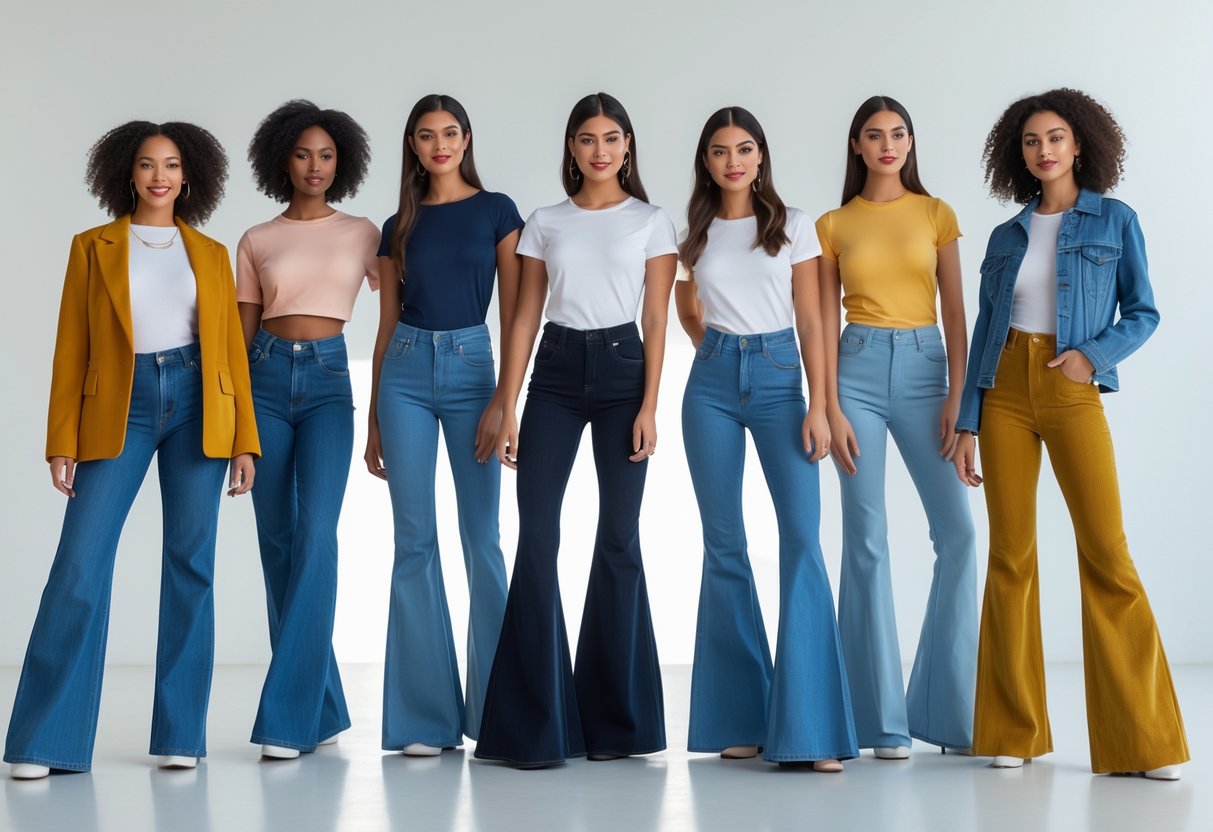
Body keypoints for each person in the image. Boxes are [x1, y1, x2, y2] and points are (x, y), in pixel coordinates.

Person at [5, 121, 258, 779]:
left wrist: (244, 441)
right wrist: (62, 438)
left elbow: (230, 349)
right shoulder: (92, 247)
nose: (159, 176)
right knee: (81, 562)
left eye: (171, 165)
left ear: (189, 176)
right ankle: (43, 740)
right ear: (127, 172)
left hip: (201, 403)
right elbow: (71, 348)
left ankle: (180, 735)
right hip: (120, 406)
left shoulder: (209, 250)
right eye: (147, 164)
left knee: (191, 563)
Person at [953, 88, 1188, 779]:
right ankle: (1012, 729)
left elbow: (1142, 312)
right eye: (1030, 141)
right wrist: (967, 418)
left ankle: (1143, 742)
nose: (1043, 150)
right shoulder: (1005, 236)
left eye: (1054, 137)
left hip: (1068, 383)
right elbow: (982, 334)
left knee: (1105, 554)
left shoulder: (1113, 221)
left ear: (1079, 143)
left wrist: (1093, 355)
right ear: (1016, 155)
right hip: (1002, 391)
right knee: (1010, 557)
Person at [474, 92, 677, 768]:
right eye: (586, 139)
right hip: (555, 378)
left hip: (625, 375)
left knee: (618, 540)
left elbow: (657, 321)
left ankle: (617, 725)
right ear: (571, 147)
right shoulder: (544, 222)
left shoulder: (649, 221)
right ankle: (534, 727)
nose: (599, 150)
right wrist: (506, 405)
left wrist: (650, 405)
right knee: (537, 539)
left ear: (627, 147)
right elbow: (523, 319)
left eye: (611, 138)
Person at [676, 106, 856, 771]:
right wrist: (716, 351)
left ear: (760, 157)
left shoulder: (793, 226)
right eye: (720, 151)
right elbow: (686, 307)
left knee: (803, 539)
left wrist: (821, 403)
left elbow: (813, 319)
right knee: (724, 545)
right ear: (706, 160)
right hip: (712, 386)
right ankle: (739, 715)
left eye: (744, 148)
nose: (733, 161)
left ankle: (811, 729)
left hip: (784, 382)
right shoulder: (692, 234)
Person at [816, 95, 977, 758]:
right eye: (874, 136)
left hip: (924, 369)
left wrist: (959, 401)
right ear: (856, 146)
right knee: (866, 538)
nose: (887, 145)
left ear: (910, 143)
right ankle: (877, 718)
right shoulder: (831, 225)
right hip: (852, 371)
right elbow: (821, 324)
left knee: (959, 533)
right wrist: (824, 404)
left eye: (898, 134)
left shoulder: (935, 214)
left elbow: (957, 313)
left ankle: (948, 711)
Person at [364, 94, 521, 755]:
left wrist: (505, 402)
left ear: (466, 138)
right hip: (402, 373)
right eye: (425, 135)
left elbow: (516, 318)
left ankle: (499, 711)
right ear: (412, 146)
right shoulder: (396, 225)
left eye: (449, 133)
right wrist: (372, 419)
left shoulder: (496, 212)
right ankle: (424, 719)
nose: (439, 145)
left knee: (481, 540)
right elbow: (385, 325)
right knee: (413, 542)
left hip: (472, 371)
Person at [237, 100, 379, 759]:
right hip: (263, 380)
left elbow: (417, 290)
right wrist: (235, 426)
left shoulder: (363, 233)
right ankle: (318, 706)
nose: (314, 166)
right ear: (280, 160)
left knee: (317, 536)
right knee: (278, 543)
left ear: (341, 162)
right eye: (302, 154)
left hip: (328, 384)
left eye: (325, 155)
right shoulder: (257, 240)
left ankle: (287, 717)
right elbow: (239, 340)